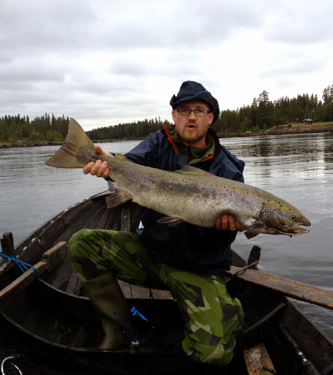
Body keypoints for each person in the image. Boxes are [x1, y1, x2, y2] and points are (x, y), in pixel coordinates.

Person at [68, 81, 245, 366]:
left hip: (196, 267)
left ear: (210, 118)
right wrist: (106, 163)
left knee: (216, 356)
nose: (191, 117)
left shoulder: (228, 171)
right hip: (149, 254)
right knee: (82, 244)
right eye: (184, 109)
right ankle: (118, 329)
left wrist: (223, 228)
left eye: (199, 110)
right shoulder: (158, 142)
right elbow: (129, 164)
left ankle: (225, 310)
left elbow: (222, 245)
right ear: (174, 115)